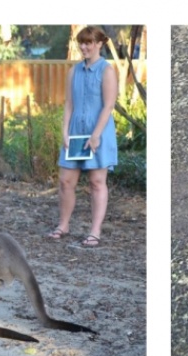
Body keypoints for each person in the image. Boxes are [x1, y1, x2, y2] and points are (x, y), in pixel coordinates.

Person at [47, 26, 119, 248]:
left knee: (97, 182)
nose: (84, 47)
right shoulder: (73, 71)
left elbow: (108, 106)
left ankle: (95, 231)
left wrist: (96, 135)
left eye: (89, 43)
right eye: (82, 42)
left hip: (98, 132)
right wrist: (65, 132)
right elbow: (69, 104)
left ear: (99, 44)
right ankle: (63, 225)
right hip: (76, 133)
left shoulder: (107, 71)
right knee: (65, 181)